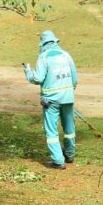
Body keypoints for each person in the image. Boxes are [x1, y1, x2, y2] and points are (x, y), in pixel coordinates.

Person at [23, 31, 78, 169]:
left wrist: (28, 72)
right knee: (69, 128)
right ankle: (70, 154)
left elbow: (38, 78)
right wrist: (68, 92)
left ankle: (58, 161)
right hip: (68, 97)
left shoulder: (44, 57)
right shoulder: (66, 55)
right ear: (55, 41)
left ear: (42, 44)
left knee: (52, 131)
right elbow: (74, 79)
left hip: (51, 100)